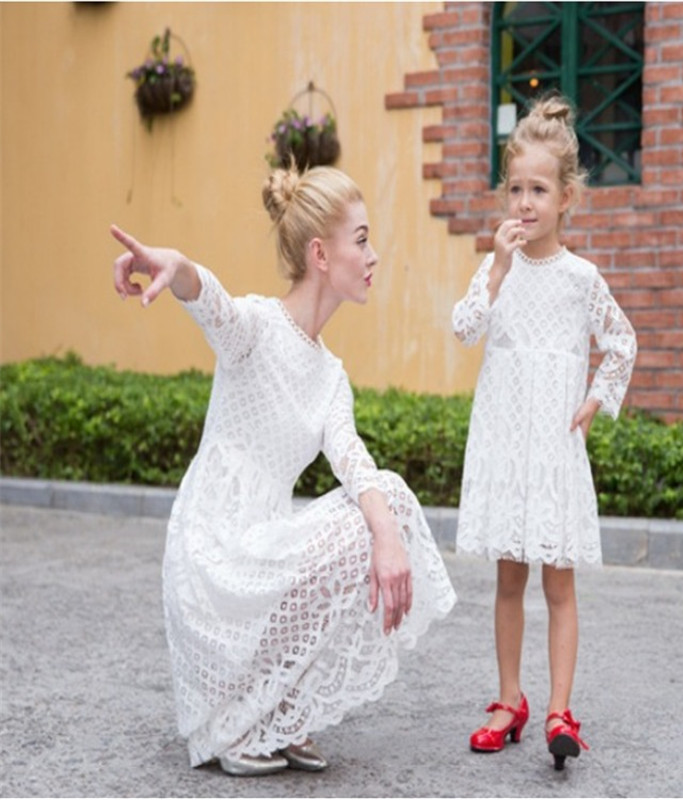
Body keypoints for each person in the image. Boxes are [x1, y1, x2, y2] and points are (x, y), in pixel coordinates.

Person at [110, 165, 456, 777]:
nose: (374, 256)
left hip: (266, 546)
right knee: (379, 515)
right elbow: (210, 301)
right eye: (363, 239)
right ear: (321, 254)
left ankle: (282, 715)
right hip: (215, 555)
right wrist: (177, 265)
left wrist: (388, 538)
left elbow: (353, 460)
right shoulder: (257, 330)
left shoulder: (330, 376)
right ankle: (240, 725)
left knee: (388, 503)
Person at [451, 94, 637, 771]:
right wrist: (495, 273)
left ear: (566, 198)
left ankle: (561, 707)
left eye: (539, 189)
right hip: (507, 448)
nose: (524, 202)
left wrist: (596, 399)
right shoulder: (497, 268)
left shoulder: (580, 279)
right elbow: (464, 328)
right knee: (508, 581)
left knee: (559, 585)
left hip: (554, 452)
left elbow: (622, 342)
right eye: (516, 188)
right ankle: (509, 700)